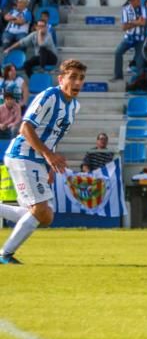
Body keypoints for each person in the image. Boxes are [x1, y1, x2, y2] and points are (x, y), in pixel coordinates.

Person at [0, 60, 87, 264]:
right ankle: (5, 254)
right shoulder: (49, 96)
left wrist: (49, 164)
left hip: (38, 159)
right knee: (40, 211)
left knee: (46, 216)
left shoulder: (75, 106)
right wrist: (48, 155)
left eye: (81, 78)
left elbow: (53, 136)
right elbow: (25, 128)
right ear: (61, 78)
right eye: (72, 76)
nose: (77, 82)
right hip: (22, 155)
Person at [113, 0, 147, 81]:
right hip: (129, 38)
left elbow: (143, 23)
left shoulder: (143, 9)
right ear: (132, 1)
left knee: (140, 61)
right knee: (118, 52)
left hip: (140, 39)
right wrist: (136, 22)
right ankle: (118, 75)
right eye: (138, 0)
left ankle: (140, 81)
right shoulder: (125, 10)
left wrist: (131, 22)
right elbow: (124, 27)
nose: (140, 2)